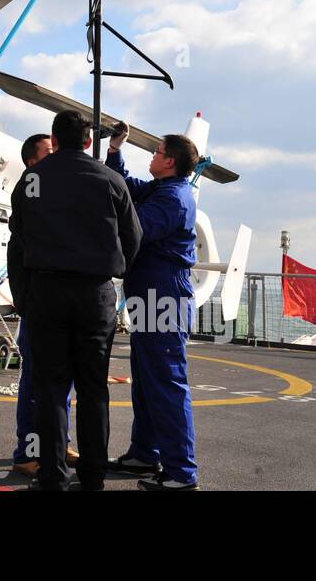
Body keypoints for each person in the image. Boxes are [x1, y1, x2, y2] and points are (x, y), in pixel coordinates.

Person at [12, 110, 142, 491]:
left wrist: (27, 290)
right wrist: (111, 271)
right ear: (89, 141)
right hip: (95, 294)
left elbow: (18, 237)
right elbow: (133, 237)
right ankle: (93, 475)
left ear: (54, 138)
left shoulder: (33, 178)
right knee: (92, 388)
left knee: (51, 387)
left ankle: (51, 475)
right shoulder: (111, 180)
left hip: (47, 291)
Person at [105, 123, 202, 491]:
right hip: (150, 294)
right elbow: (125, 187)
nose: (153, 156)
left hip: (164, 296)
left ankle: (181, 472)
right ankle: (145, 453)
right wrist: (115, 151)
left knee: (166, 382)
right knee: (147, 380)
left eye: (158, 152)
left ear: (171, 161)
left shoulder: (172, 199)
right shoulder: (162, 189)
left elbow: (135, 229)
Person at [7, 133, 79, 476]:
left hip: (57, 307)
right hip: (39, 309)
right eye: (50, 152)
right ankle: (28, 453)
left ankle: (57, 442)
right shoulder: (29, 197)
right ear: (33, 163)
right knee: (36, 383)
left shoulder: (46, 197)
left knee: (61, 381)